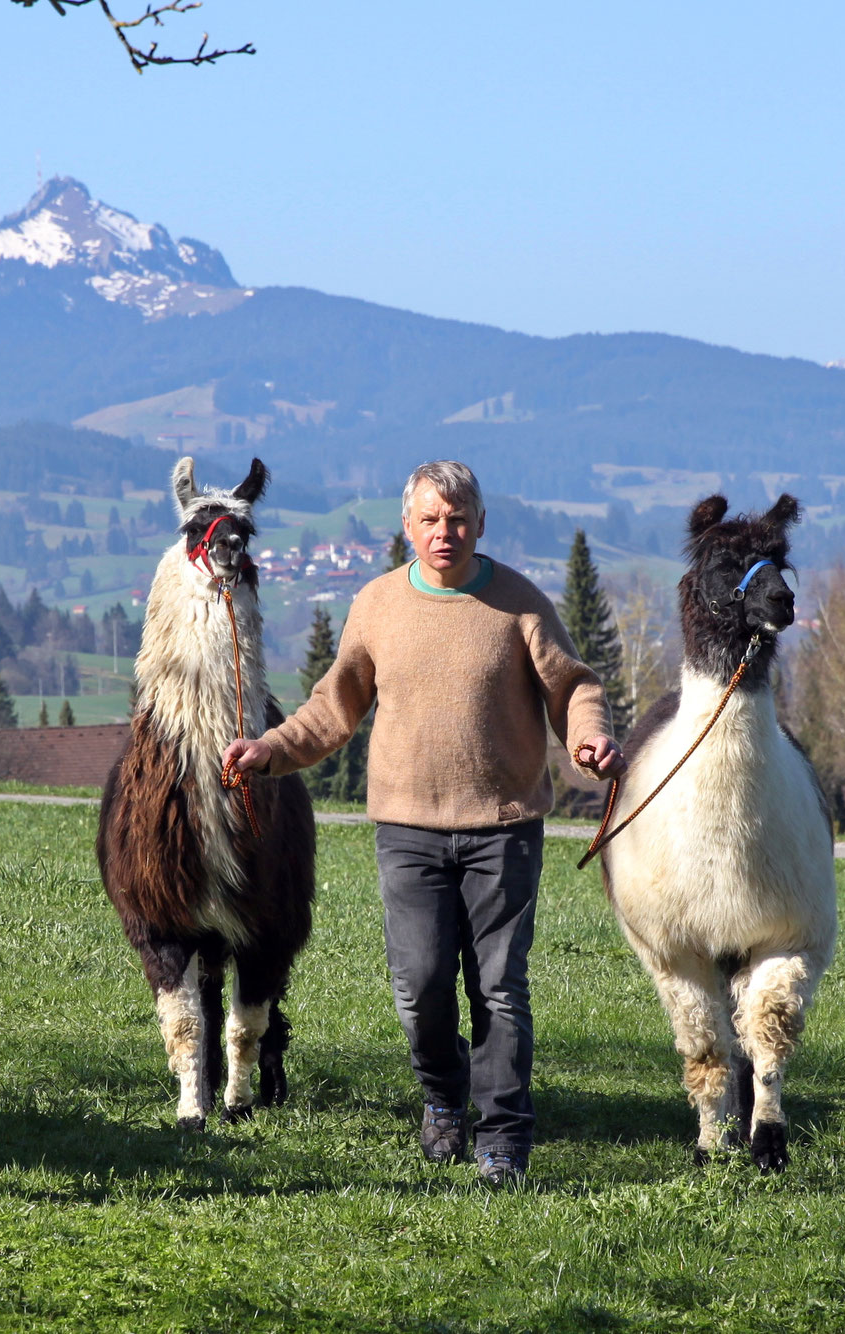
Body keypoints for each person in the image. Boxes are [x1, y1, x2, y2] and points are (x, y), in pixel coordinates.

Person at [222, 459, 621, 1187]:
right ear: (408, 526)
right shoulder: (377, 606)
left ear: (480, 524)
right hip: (407, 830)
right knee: (422, 985)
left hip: (503, 826)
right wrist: (269, 751)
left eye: (459, 519)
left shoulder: (518, 603)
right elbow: (331, 709)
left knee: (499, 987)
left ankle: (503, 1136)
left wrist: (588, 738)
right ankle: (443, 1098)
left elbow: (573, 687)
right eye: (431, 519)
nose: (446, 532)